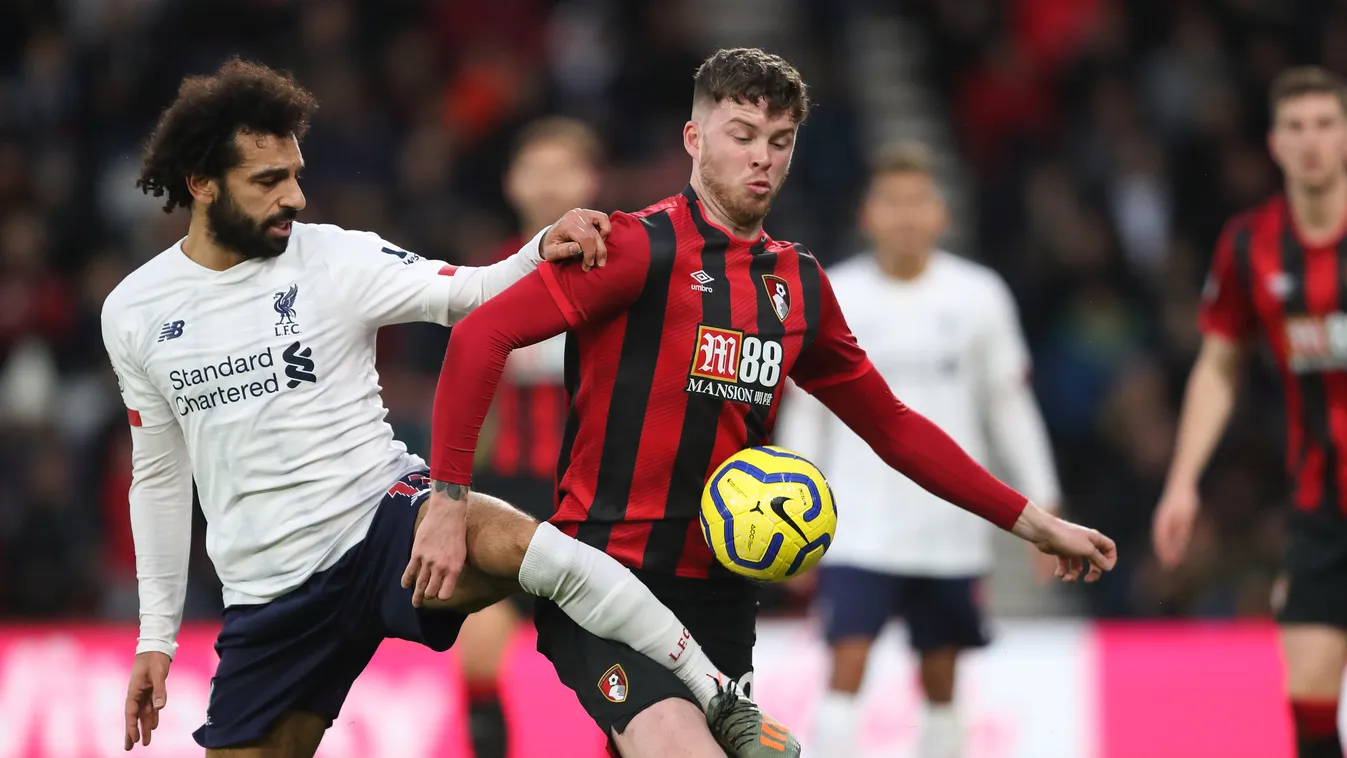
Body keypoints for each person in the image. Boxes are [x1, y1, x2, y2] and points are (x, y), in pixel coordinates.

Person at [421, 47, 1117, 758]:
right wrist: (447, 498)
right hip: (605, 575)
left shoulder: (798, 284)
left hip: (721, 597)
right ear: (694, 140)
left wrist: (1031, 521)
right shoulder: (633, 248)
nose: (762, 158)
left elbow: (894, 428)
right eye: (741, 135)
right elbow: (482, 334)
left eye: (778, 142)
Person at [107, 58, 779, 758]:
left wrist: (538, 250)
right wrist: (156, 635)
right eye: (269, 181)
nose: (296, 198)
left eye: (297, 174)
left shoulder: (336, 257)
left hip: (384, 520)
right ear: (201, 184)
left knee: (531, 548)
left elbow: (470, 292)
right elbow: (157, 475)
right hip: (269, 592)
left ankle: (719, 698)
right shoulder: (134, 312)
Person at [773, 140, 1062, 758]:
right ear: (867, 214)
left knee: (942, 682)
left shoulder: (979, 296)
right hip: (856, 525)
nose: (905, 216)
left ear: (942, 214)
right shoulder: (834, 291)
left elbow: (1008, 404)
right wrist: (793, 515)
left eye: (918, 202)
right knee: (845, 669)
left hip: (948, 527)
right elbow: (808, 413)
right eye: (892, 202)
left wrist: (1044, 498)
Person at [1153, 66, 1347, 758]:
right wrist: (1181, 482)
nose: (1311, 141)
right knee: (1309, 699)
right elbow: (1217, 364)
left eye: (1325, 124)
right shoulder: (1249, 244)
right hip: (1320, 507)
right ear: (1273, 143)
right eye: (1295, 127)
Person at [455, 116, 602, 758]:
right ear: (513, 182)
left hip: (596, 495)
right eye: (535, 170)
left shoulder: (622, 272)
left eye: (562, 169)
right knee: (477, 655)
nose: (547, 184)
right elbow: (468, 393)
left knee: (619, 670)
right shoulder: (490, 275)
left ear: (591, 180)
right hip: (509, 490)